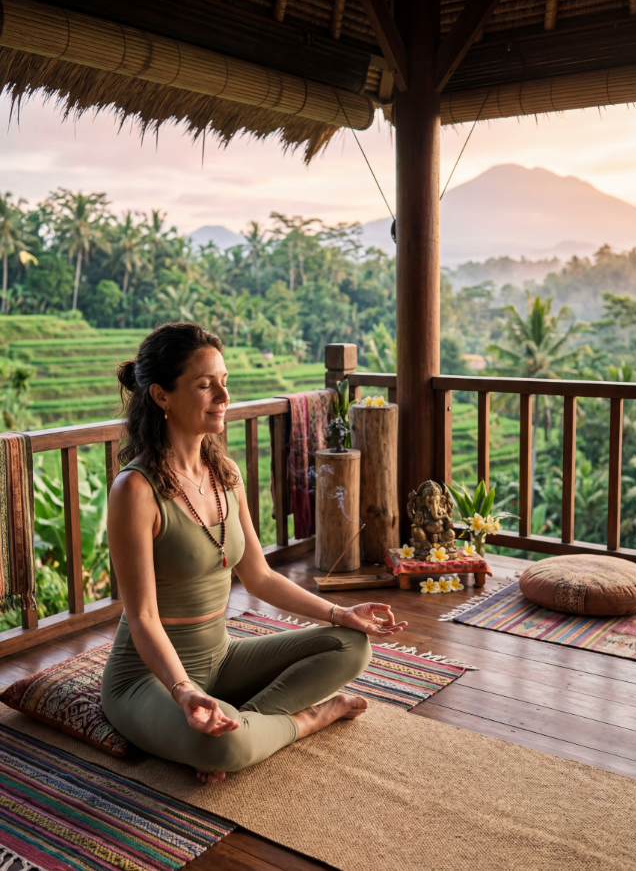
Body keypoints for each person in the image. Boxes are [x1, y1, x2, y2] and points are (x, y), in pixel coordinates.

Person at [101, 322, 408, 784]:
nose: (223, 397)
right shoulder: (135, 489)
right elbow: (142, 617)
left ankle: (241, 722)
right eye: (205, 386)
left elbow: (260, 577)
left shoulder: (225, 473)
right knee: (225, 745)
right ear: (162, 396)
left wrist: (341, 614)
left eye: (224, 382)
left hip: (219, 659)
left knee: (351, 644)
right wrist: (183, 692)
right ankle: (307, 720)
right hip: (147, 676)